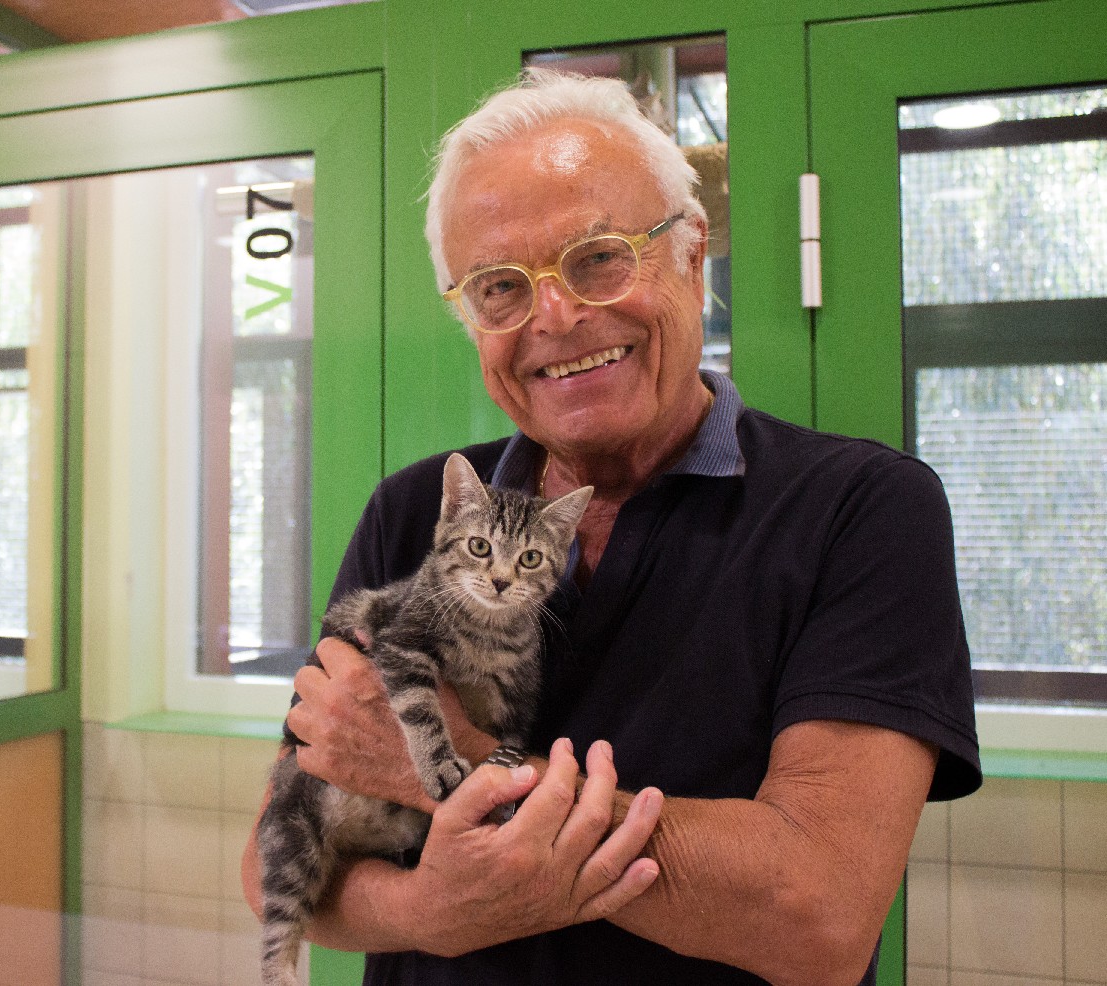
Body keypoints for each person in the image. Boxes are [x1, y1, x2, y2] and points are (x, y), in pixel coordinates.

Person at [242, 67, 980, 986]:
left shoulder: (859, 509)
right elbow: (273, 861)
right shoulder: (413, 511)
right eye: (499, 286)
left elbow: (815, 915)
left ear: (692, 257)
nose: (555, 315)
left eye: (598, 257)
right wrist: (431, 912)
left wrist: (454, 761)